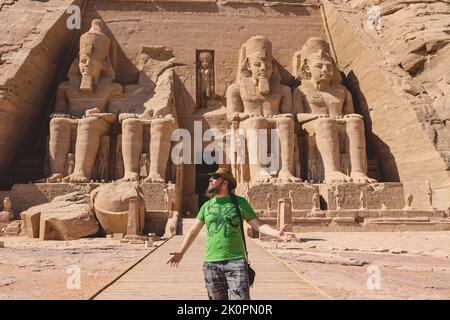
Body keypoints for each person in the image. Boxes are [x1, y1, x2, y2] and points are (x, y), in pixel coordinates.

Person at [167, 167, 295, 300]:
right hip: (211, 263)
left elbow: (257, 224)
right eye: (211, 177)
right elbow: (193, 230)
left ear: (225, 182)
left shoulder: (240, 203)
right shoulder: (207, 206)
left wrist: (277, 234)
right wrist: (181, 252)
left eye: (215, 177)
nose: (210, 179)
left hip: (236, 261)